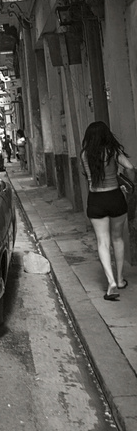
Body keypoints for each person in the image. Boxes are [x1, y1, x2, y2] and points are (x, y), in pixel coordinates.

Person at [80, 121, 135, 301]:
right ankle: (119, 279)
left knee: (102, 241)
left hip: (96, 200)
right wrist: (127, 182)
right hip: (115, 198)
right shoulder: (113, 152)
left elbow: (88, 176)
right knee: (118, 238)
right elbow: (130, 167)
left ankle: (110, 282)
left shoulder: (85, 155)